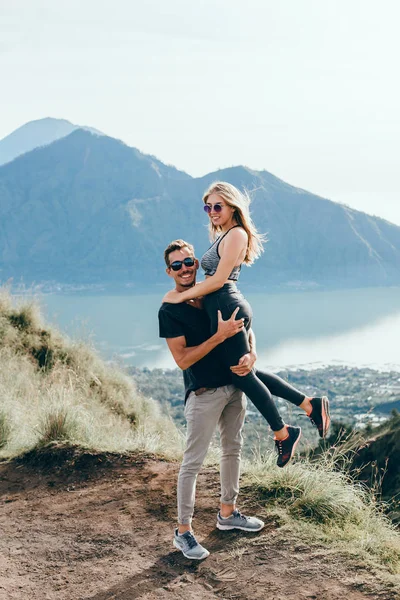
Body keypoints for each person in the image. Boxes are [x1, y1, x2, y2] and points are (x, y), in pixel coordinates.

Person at [159, 239, 328, 560]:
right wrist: (218, 337)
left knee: (232, 450)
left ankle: (228, 513)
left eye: (189, 262)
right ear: (169, 271)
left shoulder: (211, 292)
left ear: (197, 263)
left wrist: (252, 353)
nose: (184, 269)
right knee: (192, 463)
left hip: (234, 388)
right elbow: (182, 359)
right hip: (204, 393)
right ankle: (183, 532)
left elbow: (245, 331)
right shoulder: (170, 309)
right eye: (177, 265)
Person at [162, 182, 330, 468]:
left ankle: (284, 431)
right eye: (208, 207)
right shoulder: (225, 234)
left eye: (218, 206)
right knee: (242, 369)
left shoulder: (237, 234)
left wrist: (179, 295)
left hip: (227, 305)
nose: (212, 212)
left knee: (240, 373)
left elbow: (218, 280)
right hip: (223, 304)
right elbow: (214, 280)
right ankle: (308, 405)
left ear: (232, 207)